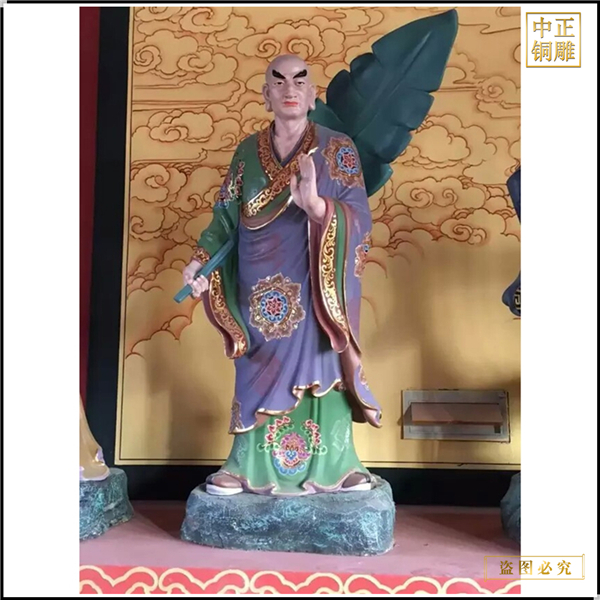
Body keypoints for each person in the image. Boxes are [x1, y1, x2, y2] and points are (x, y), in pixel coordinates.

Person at [182, 54, 382, 496]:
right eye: (278, 81)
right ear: (265, 95)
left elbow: (360, 219)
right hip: (259, 286)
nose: (289, 89)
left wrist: (316, 206)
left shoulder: (337, 148)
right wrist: (199, 262)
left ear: (312, 96)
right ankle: (244, 466)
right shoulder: (246, 153)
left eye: (299, 81)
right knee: (256, 367)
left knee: (323, 358)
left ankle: (337, 465)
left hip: (316, 280)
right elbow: (225, 218)